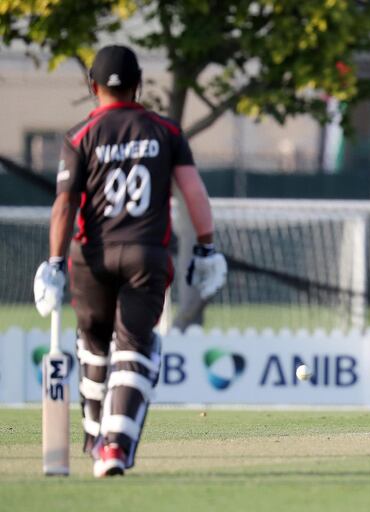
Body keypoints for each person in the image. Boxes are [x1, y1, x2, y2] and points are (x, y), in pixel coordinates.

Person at [32, 45, 227, 477]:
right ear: (138, 84)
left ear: (92, 86)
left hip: (91, 257)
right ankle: (114, 449)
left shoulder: (79, 136)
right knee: (136, 347)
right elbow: (193, 193)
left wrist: (54, 262)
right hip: (145, 254)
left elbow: (65, 205)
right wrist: (207, 247)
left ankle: (92, 429)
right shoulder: (165, 131)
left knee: (95, 342)